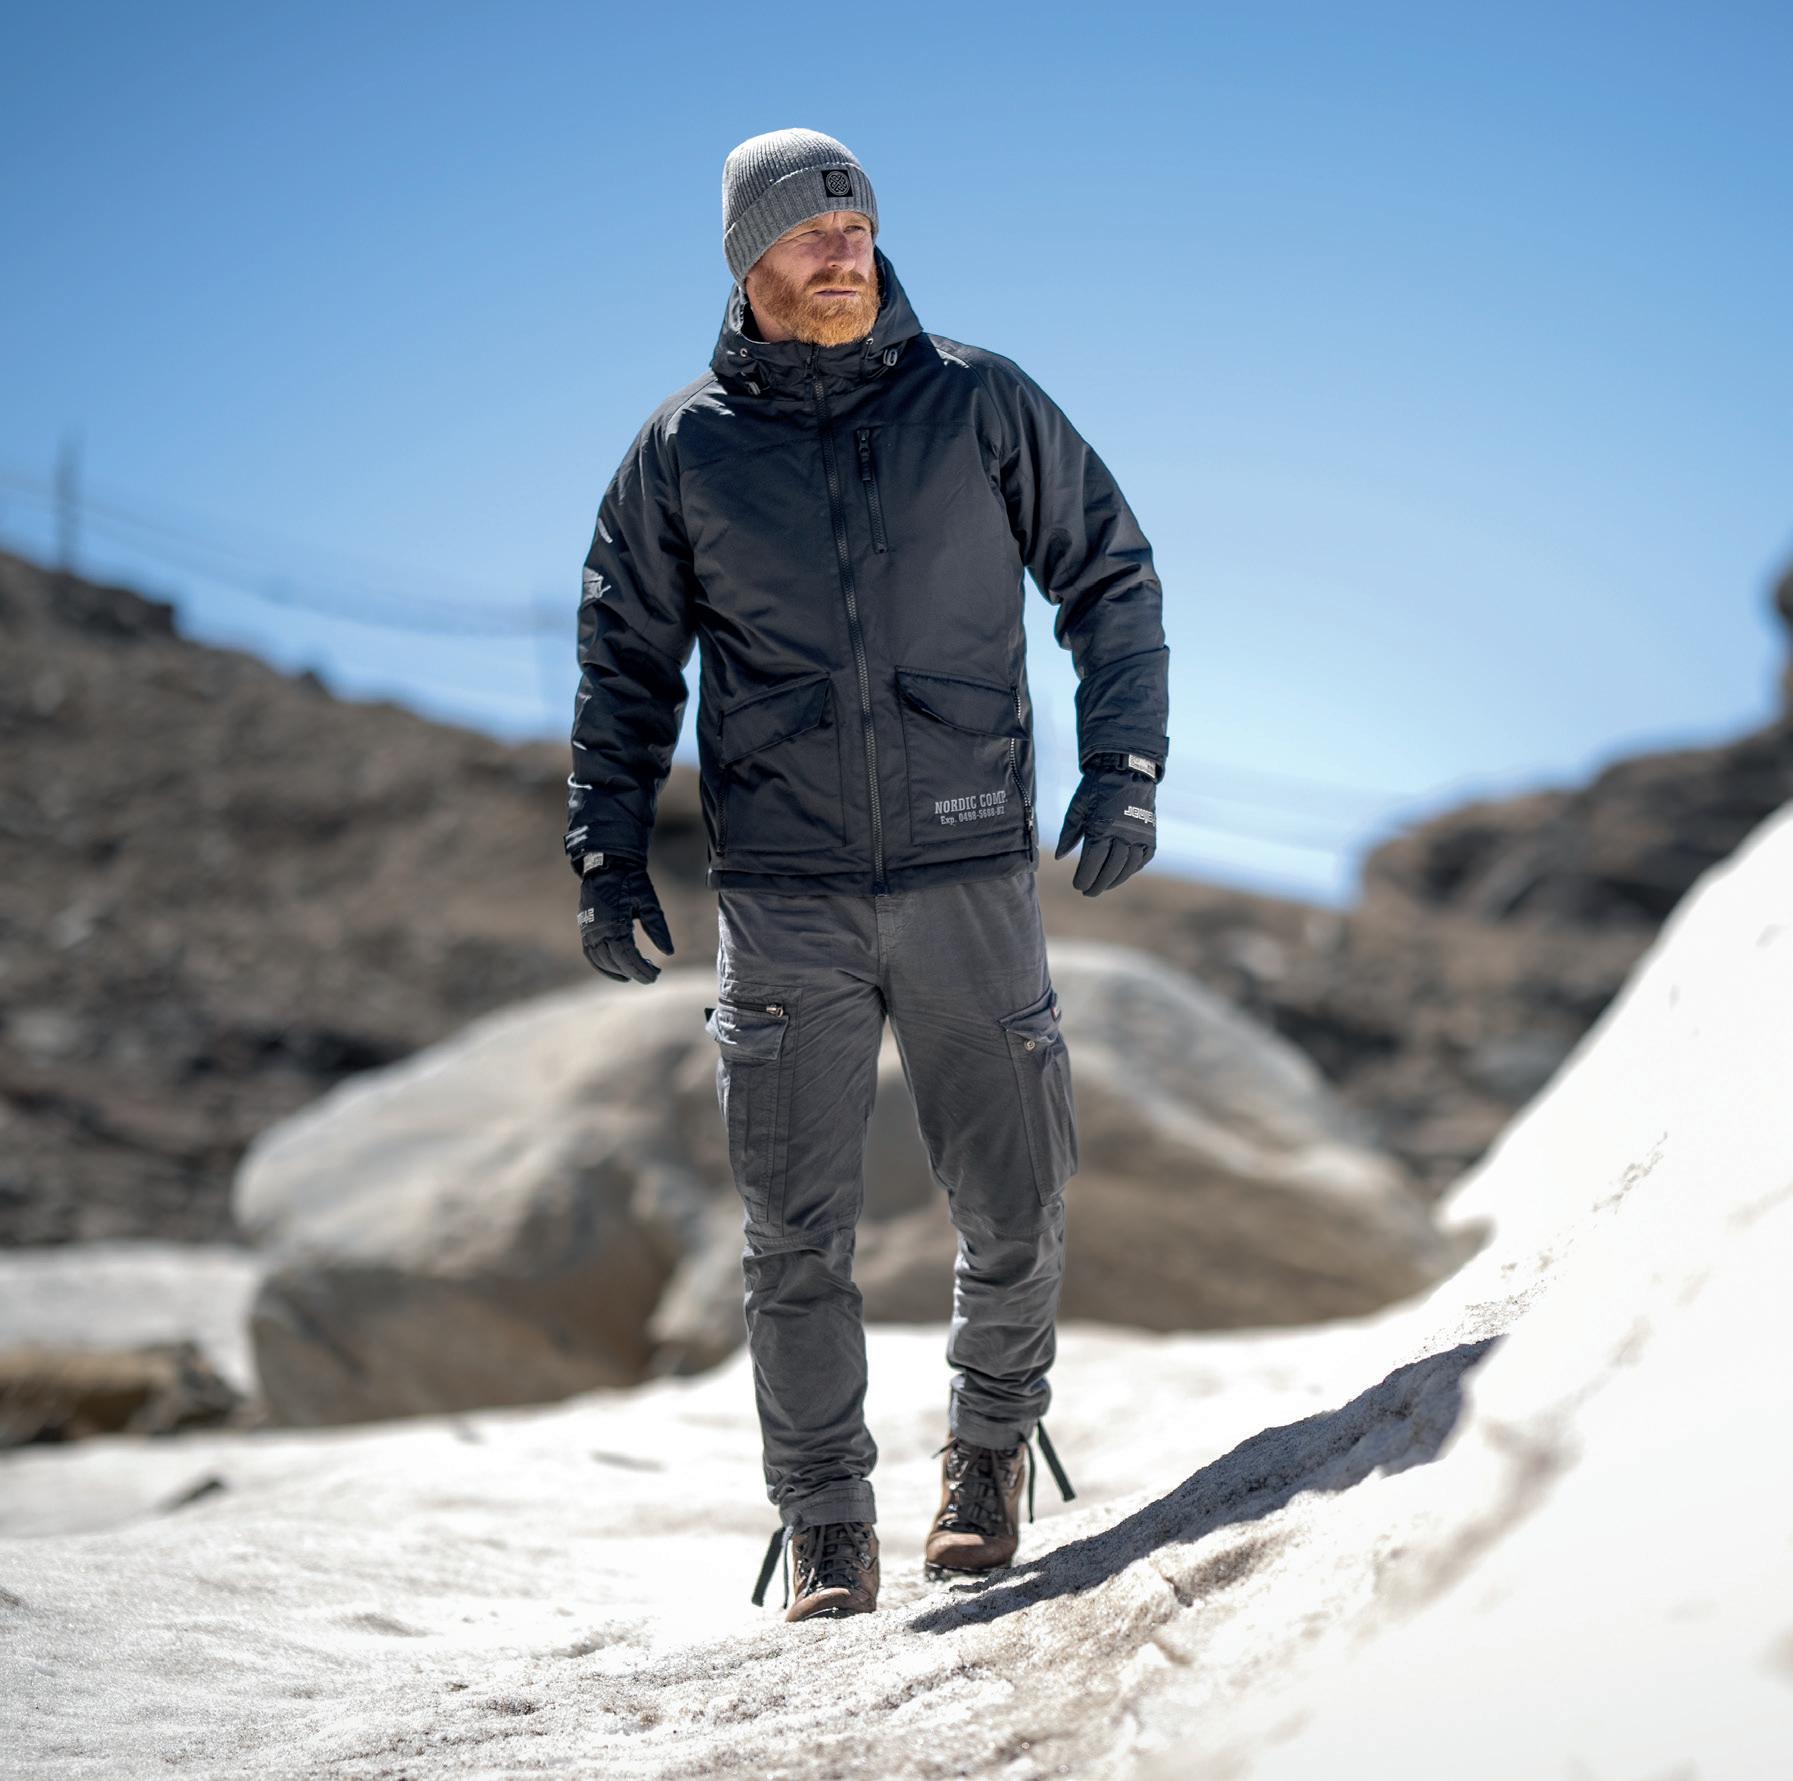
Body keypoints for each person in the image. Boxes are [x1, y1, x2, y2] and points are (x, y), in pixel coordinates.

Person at [565, 127, 1170, 1621]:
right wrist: (607, 844)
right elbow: (625, 662)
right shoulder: (684, 450)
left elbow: (1107, 572)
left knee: (1016, 1196)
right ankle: (826, 1515)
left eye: (858, 224)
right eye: (811, 230)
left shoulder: (978, 401)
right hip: (783, 895)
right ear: (748, 259)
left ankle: (988, 1450)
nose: (845, 251)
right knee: (792, 1236)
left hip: (969, 868)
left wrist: (1123, 763)